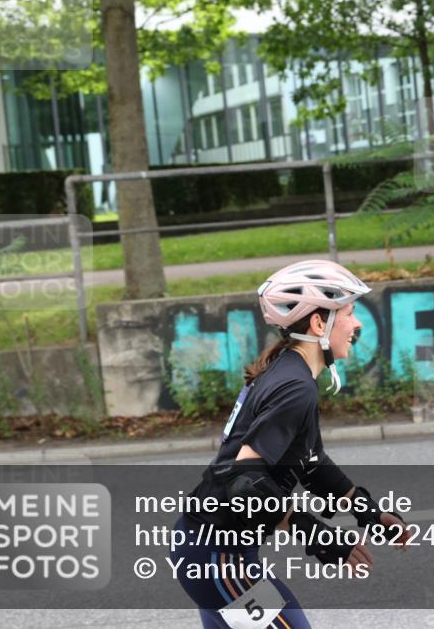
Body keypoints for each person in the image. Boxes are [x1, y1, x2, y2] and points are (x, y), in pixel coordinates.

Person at [170, 259, 411, 629]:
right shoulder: (295, 387)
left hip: (214, 549)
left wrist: (366, 512)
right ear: (318, 323)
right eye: (349, 313)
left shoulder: (289, 371)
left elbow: (311, 464)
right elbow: (244, 481)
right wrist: (314, 532)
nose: (357, 324)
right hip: (217, 558)